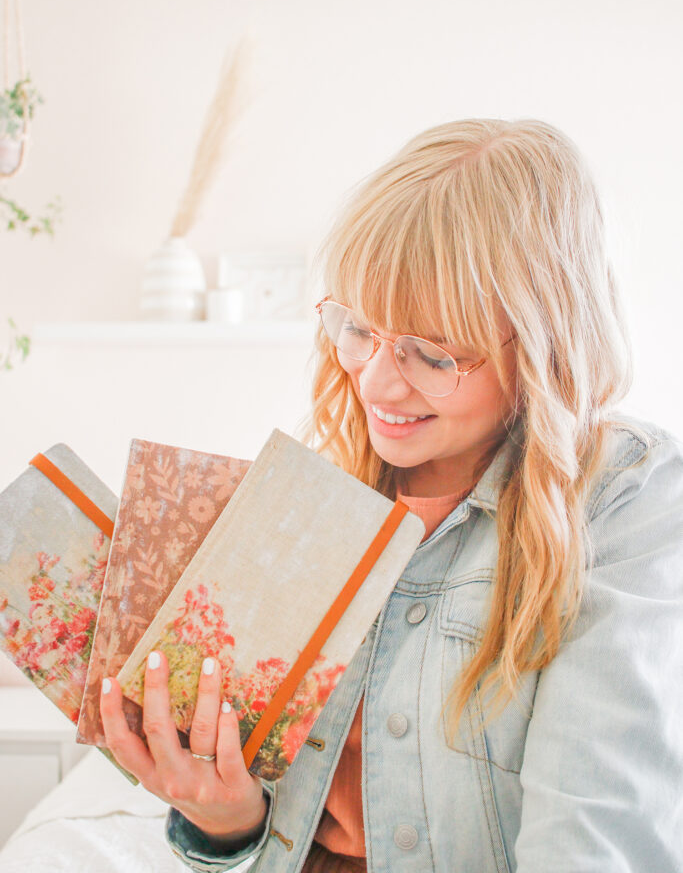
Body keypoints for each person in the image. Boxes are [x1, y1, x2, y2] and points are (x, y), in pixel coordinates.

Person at [100, 118, 683, 872]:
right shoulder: (314, 499)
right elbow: (277, 832)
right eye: (357, 329)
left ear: (545, 344)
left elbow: (595, 836)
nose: (374, 383)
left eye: (432, 353)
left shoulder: (622, 496)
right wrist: (224, 824)